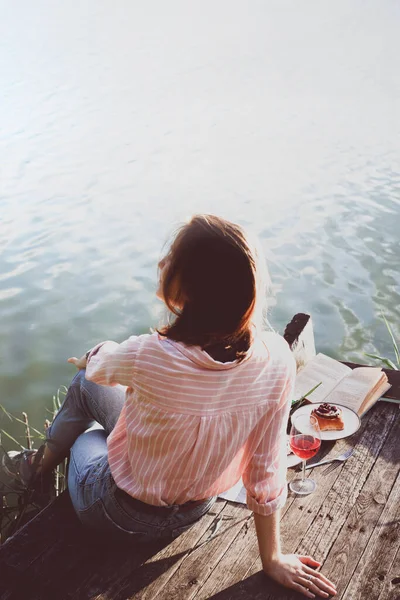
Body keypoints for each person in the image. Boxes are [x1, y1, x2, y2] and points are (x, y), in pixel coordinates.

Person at [5, 215, 336, 598]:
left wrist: (89, 359)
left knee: (87, 416)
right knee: (114, 407)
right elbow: (266, 466)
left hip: (117, 514)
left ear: (194, 289)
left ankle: (33, 469)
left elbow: (98, 366)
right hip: (196, 508)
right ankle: (36, 468)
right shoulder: (276, 358)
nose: (162, 265)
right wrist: (273, 557)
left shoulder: (151, 355)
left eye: (171, 260)